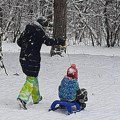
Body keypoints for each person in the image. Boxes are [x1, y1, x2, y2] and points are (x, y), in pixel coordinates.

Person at [17, 16, 65, 110]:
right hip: (32, 58)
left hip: (23, 57)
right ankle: (22, 98)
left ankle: (36, 98)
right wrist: (60, 41)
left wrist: (27, 46)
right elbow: (48, 41)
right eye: (45, 27)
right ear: (42, 25)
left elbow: (19, 42)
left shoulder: (27, 29)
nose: (45, 29)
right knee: (31, 78)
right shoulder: (39, 31)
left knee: (33, 77)